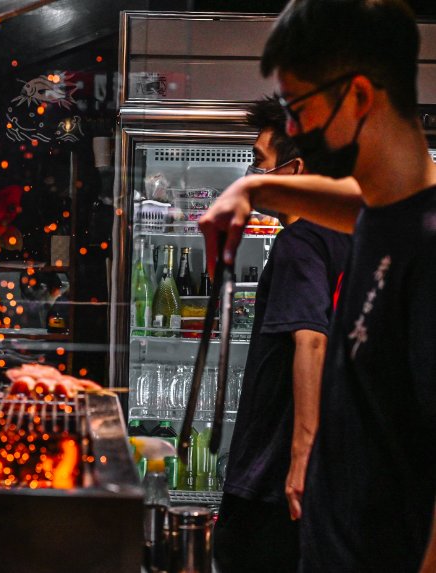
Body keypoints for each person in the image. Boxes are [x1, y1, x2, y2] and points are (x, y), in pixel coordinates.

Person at [198, 1, 436, 570]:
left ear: (357, 98)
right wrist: (253, 192)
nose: (295, 131)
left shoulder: (426, 246)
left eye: (299, 109)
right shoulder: (387, 214)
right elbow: (364, 203)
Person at [212, 96, 351, 573]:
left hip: (272, 477)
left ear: (294, 170)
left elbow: (311, 338)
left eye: (259, 163)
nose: (250, 177)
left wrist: (300, 456)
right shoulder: (350, 234)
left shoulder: (301, 240)